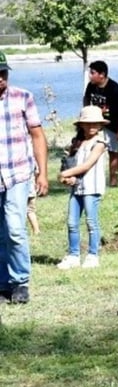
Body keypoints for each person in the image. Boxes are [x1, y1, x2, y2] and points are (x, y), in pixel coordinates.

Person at [0, 48, 49, 304]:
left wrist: (42, 173)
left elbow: (38, 135)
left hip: (18, 173)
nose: (0, 78)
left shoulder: (23, 97)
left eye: (3, 73)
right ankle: (2, 283)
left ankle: (20, 282)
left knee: (15, 229)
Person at [56, 105, 108, 269]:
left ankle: (93, 255)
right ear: (81, 125)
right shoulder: (77, 144)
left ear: (100, 125)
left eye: (95, 123)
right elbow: (70, 164)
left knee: (91, 222)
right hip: (77, 189)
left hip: (92, 188)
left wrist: (65, 174)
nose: (92, 126)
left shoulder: (100, 143)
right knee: (72, 223)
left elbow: (86, 165)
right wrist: (67, 177)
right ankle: (73, 255)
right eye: (88, 123)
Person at [83, 59, 118, 187]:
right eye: (90, 72)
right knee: (90, 151)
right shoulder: (91, 86)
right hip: (96, 125)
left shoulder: (115, 89)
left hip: (112, 125)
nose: (90, 75)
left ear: (102, 75)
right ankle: (90, 180)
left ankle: (113, 182)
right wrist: (86, 115)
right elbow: (86, 99)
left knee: (113, 153)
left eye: (92, 73)